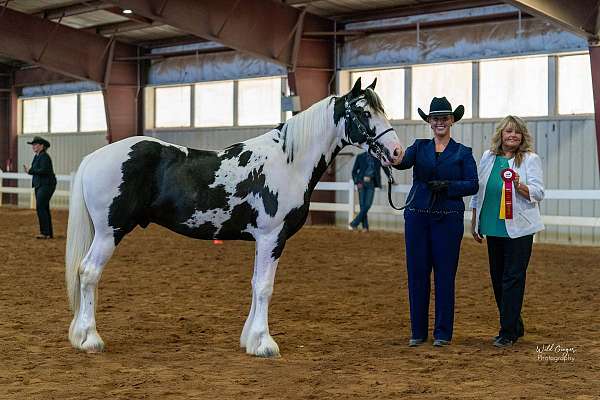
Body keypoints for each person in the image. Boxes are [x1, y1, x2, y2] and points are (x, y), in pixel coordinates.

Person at [394, 97, 478, 347]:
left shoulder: (463, 153)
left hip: (448, 221)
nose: (440, 122)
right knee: (417, 275)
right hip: (417, 218)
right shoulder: (418, 147)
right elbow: (401, 163)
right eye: (435, 118)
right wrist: (393, 155)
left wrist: (449, 186)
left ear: (452, 121)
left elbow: (472, 184)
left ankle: (442, 333)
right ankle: (418, 332)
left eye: (444, 118)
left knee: (444, 276)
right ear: (429, 122)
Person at [470, 115, 544, 348]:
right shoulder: (488, 157)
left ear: (522, 136)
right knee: (497, 278)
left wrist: (519, 185)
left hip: (519, 227)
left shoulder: (530, 159)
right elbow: (478, 191)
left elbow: (538, 192)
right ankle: (515, 323)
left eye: (517, 132)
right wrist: (474, 221)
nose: (512, 135)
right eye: (508, 131)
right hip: (493, 225)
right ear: (500, 134)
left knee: (513, 278)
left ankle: (508, 331)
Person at [23, 136, 57, 239]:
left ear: (42, 146)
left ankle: (45, 232)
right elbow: (35, 170)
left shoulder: (44, 157)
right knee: (44, 208)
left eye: (35, 144)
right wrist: (30, 171)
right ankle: (48, 233)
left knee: (40, 207)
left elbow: (43, 170)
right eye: (33, 145)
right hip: (41, 185)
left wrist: (30, 171)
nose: (33, 146)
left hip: (46, 185)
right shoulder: (37, 156)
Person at [349, 151, 382, 231]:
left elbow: (385, 167)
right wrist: (357, 182)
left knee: (367, 205)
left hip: (371, 183)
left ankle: (354, 223)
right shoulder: (360, 156)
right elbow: (354, 171)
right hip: (361, 183)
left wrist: (391, 179)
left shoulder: (378, 157)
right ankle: (365, 227)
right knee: (362, 205)